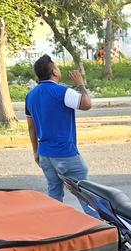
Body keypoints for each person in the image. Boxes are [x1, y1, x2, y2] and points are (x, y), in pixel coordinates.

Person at [24, 55, 93, 202]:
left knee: (54, 195)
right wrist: (80, 84)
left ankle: (55, 224)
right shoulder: (63, 92)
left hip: (45, 155)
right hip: (65, 153)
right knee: (87, 196)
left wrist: (36, 151)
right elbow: (87, 104)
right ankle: (101, 225)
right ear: (54, 72)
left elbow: (31, 128)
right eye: (57, 67)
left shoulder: (30, 96)